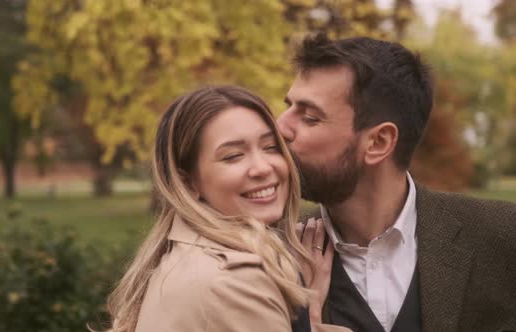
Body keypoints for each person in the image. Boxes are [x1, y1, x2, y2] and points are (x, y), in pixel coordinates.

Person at [277, 33, 516, 332]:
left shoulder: (503, 236)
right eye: (288, 107)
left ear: (378, 142)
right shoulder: (268, 249)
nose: (279, 126)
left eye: (309, 117)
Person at [106, 86, 349, 332]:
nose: (262, 168)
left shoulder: (184, 256)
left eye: (270, 147)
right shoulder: (234, 283)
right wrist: (306, 314)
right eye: (233, 156)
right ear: (188, 182)